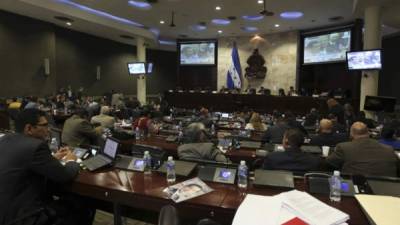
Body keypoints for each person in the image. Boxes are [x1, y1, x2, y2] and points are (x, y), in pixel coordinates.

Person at [0, 109, 92, 225]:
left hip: (6, 214)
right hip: (26, 218)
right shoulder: (36, 146)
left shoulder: (5, 139)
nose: (48, 129)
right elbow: (65, 175)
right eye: (44, 125)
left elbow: (24, 161)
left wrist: (53, 157)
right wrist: (71, 160)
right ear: (29, 128)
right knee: (84, 203)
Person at [326, 122, 399, 177]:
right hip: (388, 190)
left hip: (356, 187)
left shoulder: (343, 147)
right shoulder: (389, 149)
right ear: (368, 132)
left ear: (351, 134)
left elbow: (329, 162)